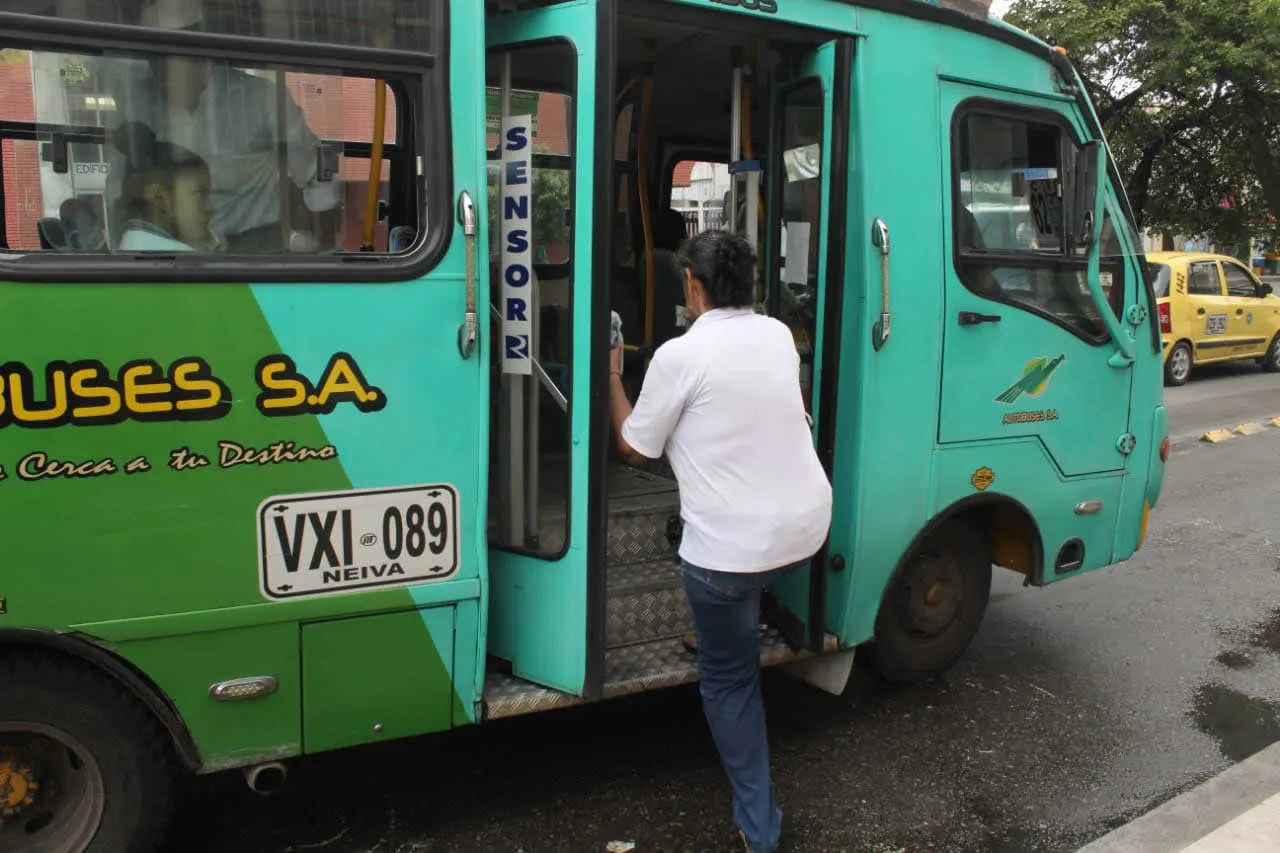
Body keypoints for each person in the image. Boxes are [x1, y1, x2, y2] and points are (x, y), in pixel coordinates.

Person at [607, 229, 833, 853]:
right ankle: (731, 616)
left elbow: (633, 447)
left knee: (731, 683)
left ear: (692, 285)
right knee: (735, 569)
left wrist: (611, 375)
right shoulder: (779, 336)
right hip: (807, 525)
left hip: (731, 554)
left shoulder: (681, 355)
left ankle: (760, 829)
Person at [102, 0, 342, 252]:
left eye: (166, 58)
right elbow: (118, 193)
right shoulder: (138, 106)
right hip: (170, 252)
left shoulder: (263, 100)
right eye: (152, 58)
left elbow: (318, 175)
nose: (158, 69)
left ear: (199, 51)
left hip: (255, 249)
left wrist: (322, 256)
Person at [112, 122, 217, 253]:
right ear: (159, 197)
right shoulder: (184, 262)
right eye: (199, 194)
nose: (210, 208)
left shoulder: (129, 248)